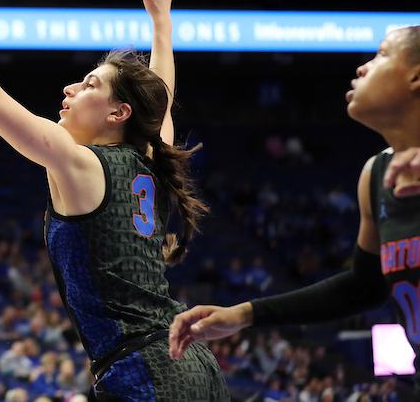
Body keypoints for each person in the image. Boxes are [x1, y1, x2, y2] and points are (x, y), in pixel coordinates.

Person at [0, 0, 225, 402]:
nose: (70, 87)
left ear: (118, 113)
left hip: (145, 371)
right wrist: (161, 23)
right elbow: (164, 98)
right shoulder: (151, 159)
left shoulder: (79, 163)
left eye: (90, 83)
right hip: (192, 364)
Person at [169, 27, 420, 360]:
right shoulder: (375, 175)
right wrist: (243, 314)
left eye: (382, 55)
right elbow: (364, 286)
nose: (362, 68)